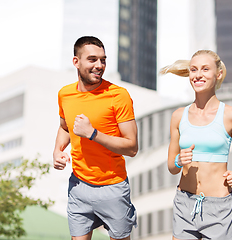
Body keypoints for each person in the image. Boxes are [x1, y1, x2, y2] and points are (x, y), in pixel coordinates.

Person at [160, 50, 232, 240]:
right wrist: (179, 159)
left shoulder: (231, 115)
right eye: (193, 70)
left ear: (218, 74)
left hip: (219, 209)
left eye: (205, 69)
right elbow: (172, 168)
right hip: (185, 204)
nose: (198, 75)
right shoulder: (178, 116)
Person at [53, 36, 138, 240]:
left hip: (113, 187)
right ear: (76, 62)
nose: (99, 65)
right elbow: (65, 127)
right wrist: (58, 150)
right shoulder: (65, 94)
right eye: (92, 59)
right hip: (78, 186)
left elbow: (131, 147)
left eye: (103, 60)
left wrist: (93, 134)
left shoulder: (118, 95)